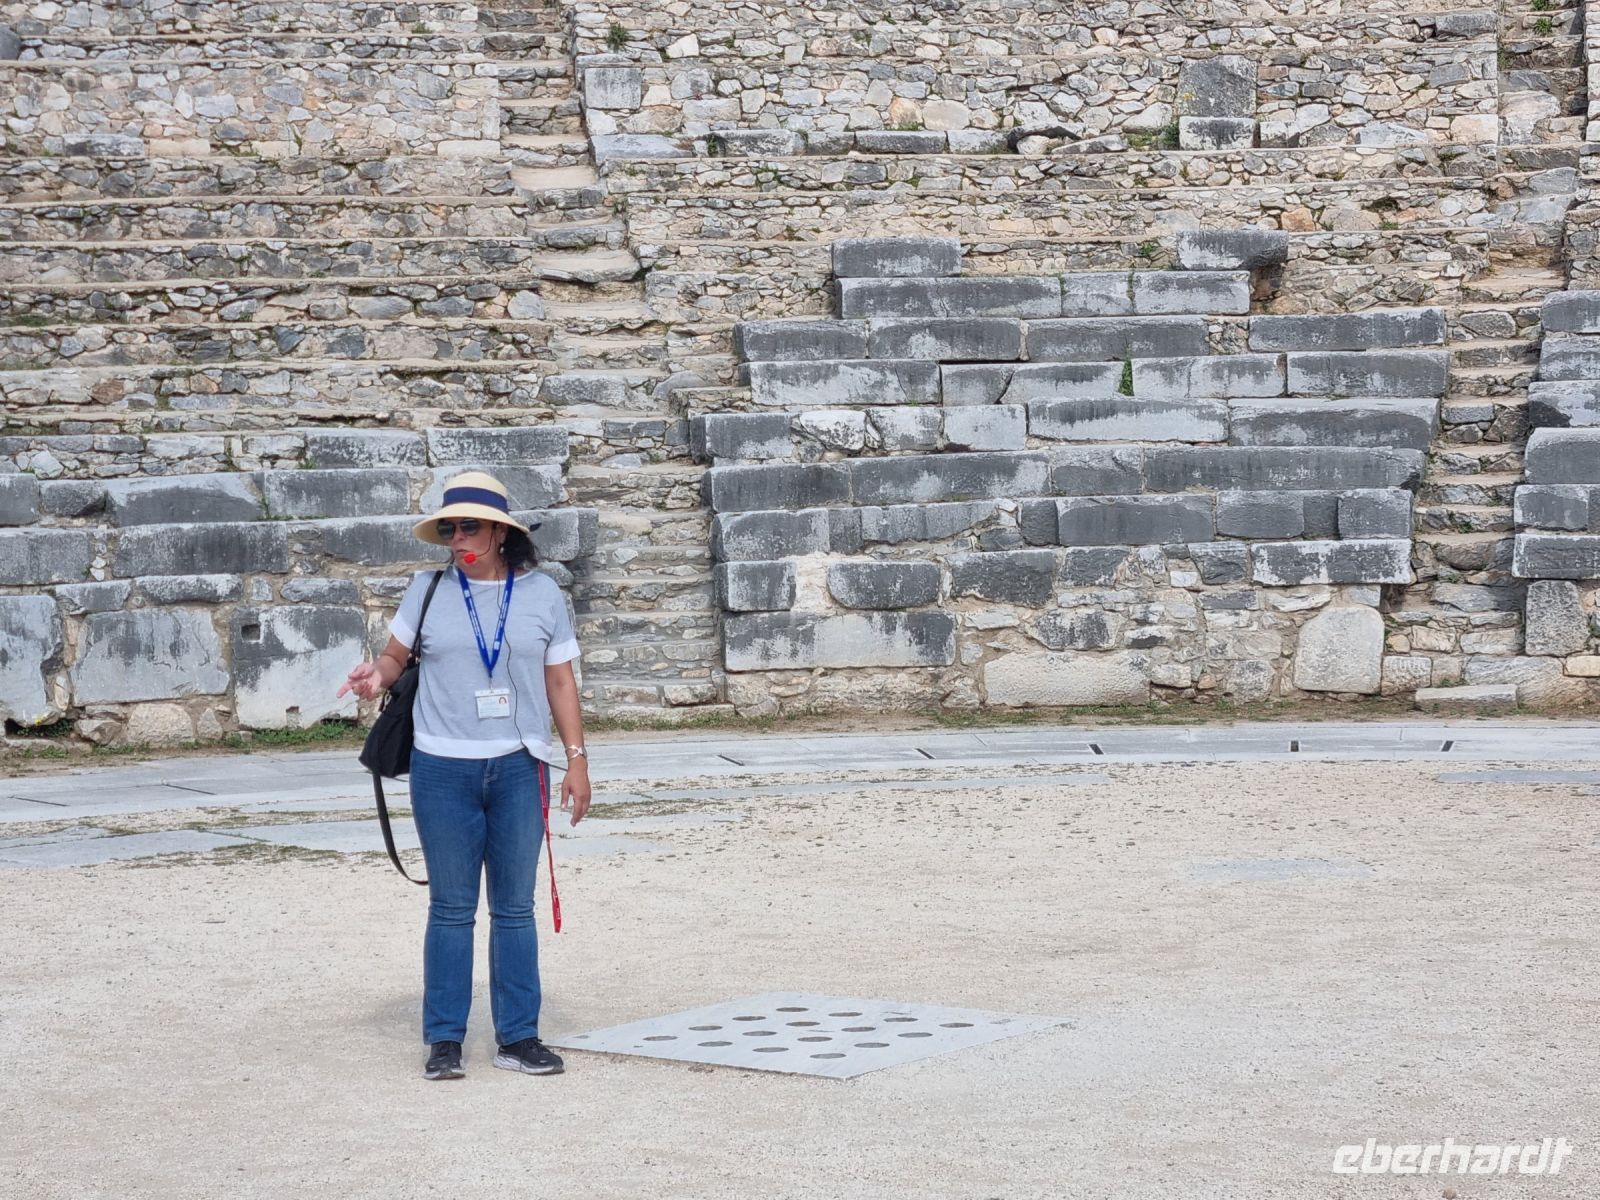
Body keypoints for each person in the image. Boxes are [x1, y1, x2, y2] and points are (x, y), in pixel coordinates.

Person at [337, 470, 591, 1082]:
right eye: (449, 526)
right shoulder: (425, 589)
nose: (457, 536)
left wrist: (577, 759)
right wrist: (378, 675)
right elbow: (396, 658)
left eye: (469, 525)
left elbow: (560, 680)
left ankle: (520, 1036)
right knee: (451, 908)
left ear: (501, 532)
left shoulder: (542, 595)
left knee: (514, 908)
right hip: (441, 768)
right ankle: (444, 1038)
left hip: (517, 765)